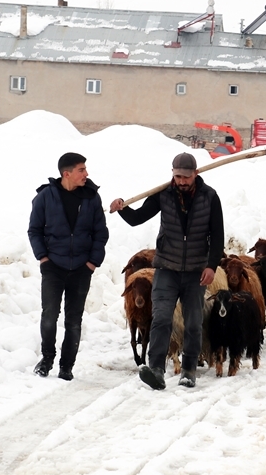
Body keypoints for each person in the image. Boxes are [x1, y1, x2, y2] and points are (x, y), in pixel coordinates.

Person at [109, 152, 224, 390]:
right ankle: (156, 369)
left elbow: (218, 235)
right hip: (165, 269)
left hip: (195, 272)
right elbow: (137, 218)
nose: (181, 181)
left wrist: (211, 266)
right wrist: (122, 208)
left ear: (196, 174)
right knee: (161, 319)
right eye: (177, 176)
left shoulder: (210, 197)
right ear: (172, 173)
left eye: (186, 177)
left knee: (193, 323)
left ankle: (189, 370)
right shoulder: (164, 194)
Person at [29, 152, 109, 381]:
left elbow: (100, 233)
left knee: (74, 320)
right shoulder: (46, 196)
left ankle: (67, 366)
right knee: (49, 315)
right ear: (67, 174)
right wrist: (43, 257)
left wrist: (92, 262)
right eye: (81, 170)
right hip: (53, 266)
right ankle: (47, 359)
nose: (86, 174)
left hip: (81, 269)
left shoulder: (91, 198)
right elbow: (34, 229)